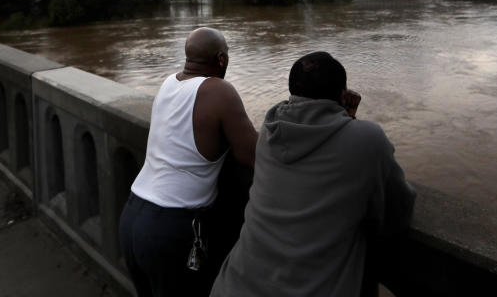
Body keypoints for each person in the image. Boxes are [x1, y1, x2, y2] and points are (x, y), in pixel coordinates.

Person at [211, 51, 416, 297]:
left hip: (233, 285)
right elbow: (398, 211)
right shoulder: (369, 140)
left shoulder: (270, 131)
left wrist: (343, 118)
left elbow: (317, 147)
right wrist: (348, 118)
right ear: (342, 94)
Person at [120, 27, 257, 297]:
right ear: (221, 60)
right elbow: (251, 154)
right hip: (170, 230)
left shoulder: (168, 82)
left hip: (132, 217)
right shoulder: (220, 91)